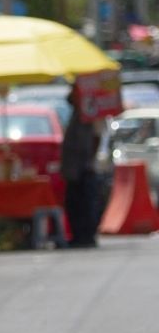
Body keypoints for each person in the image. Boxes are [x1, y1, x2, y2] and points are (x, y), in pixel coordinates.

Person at [61, 88, 101, 248]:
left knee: (85, 203)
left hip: (83, 169)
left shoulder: (89, 115)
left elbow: (95, 138)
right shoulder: (77, 114)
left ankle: (86, 236)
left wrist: (88, 161)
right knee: (74, 204)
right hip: (74, 169)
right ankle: (79, 235)